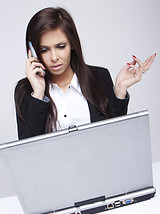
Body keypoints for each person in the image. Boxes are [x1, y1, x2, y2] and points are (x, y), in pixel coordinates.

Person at [14, 7, 156, 140]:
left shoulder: (99, 78)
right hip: (52, 167)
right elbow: (27, 151)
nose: (54, 57)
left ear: (72, 44)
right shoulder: (26, 91)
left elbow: (116, 138)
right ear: (33, 52)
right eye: (44, 50)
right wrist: (38, 95)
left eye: (61, 46)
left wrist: (119, 90)